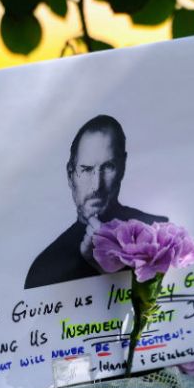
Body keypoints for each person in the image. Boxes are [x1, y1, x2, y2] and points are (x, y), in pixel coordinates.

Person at [25, 115, 168, 289]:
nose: (96, 185)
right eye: (86, 170)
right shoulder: (43, 269)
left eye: (108, 167)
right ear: (70, 175)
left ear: (122, 167)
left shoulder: (160, 233)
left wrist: (108, 267)